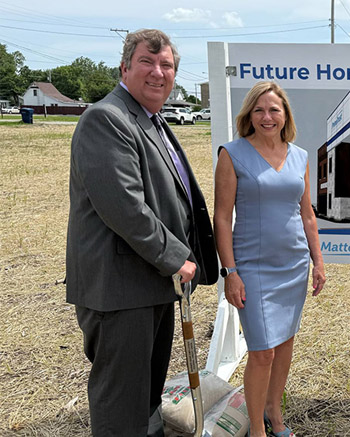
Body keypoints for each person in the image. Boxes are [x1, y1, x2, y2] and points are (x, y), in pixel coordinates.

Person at [66, 29, 218, 436]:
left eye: (166, 65)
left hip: (149, 283)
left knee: (146, 396)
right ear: (125, 68)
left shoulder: (151, 120)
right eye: (147, 63)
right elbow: (126, 208)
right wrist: (177, 257)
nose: (157, 72)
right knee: (123, 404)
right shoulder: (106, 119)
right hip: (120, 290)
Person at [214, 81, 325, 437]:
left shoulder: (301, 156)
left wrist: (318, 262)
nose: (267, 117)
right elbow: (221, 216)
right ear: (249, 115)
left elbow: (307, 215)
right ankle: (257, 430)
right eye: (259, 110)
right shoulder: (232, 154)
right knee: (262, 353)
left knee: (285, 344)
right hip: (253, 268)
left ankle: (275, 415)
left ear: (285, 115)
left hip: (293, 266)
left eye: (274, 110)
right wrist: (230, 272)